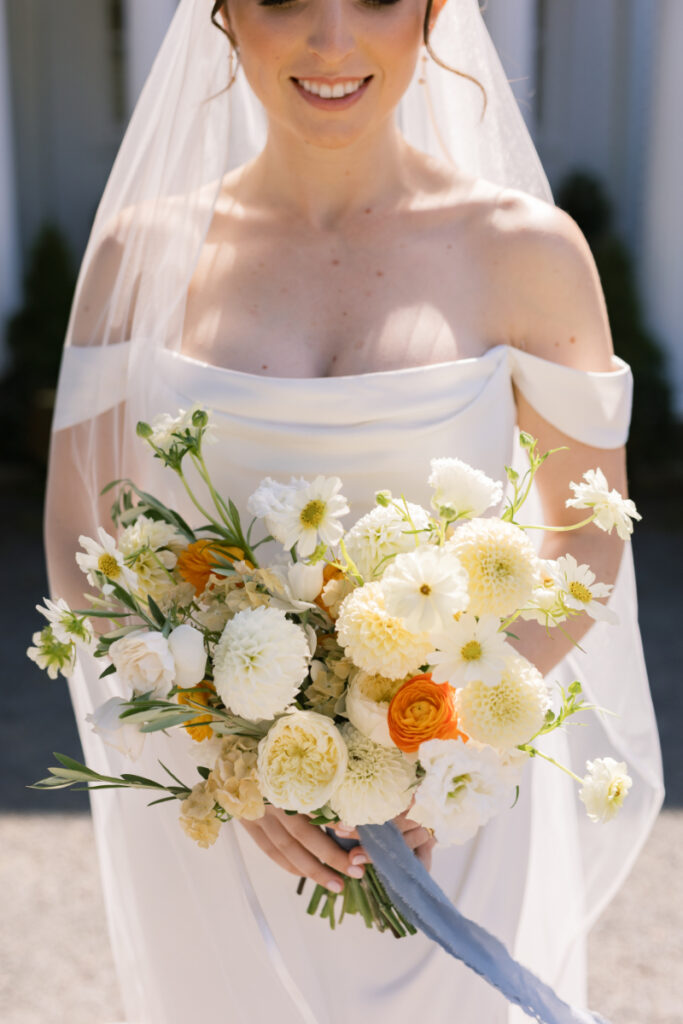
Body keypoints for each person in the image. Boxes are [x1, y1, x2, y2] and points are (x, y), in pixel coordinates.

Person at [43, 1, 664, 1021]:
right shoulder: (138, 253)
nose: (332, 43)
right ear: (227, 14)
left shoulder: (526, 250)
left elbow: (589, 530)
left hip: (448, 812)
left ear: (428, 14)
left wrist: (443, 739)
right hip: (225, 822)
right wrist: (219, 758)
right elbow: (81, 531)